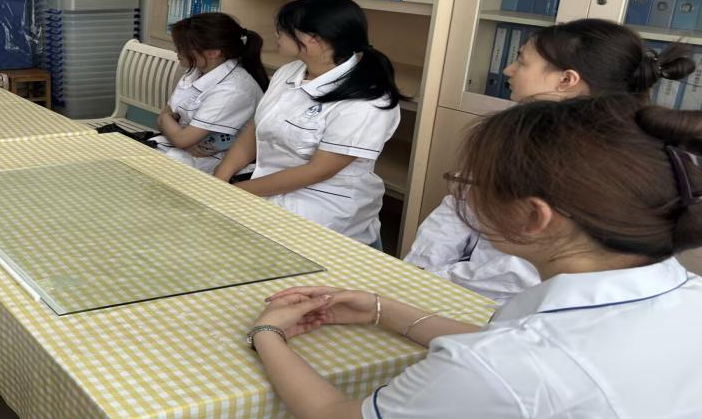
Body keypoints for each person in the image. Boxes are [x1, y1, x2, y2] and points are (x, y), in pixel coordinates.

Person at [248, 95, 702, 418]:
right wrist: (380, 310)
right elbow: (516, 344)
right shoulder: (683, 297)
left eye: (475, 183)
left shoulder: (499, 366)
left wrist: (267, 333)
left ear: (533, 216)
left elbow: (335, 414)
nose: (465, 194)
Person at [405, 19, 695, 301]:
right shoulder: (512, 132)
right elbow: (460, 204)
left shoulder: (604, 162)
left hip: (512, 299)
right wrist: (418, 270)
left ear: (566, 80)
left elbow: (524, 269)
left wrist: (439, 279)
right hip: (454, 282)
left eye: (521, 62)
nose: (508, 69)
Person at [214, 0, 404, 246]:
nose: (277, 35)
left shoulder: (367, 101)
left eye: (283, 30)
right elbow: (256, 129)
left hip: (321, 206)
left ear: (313, 39)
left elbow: (319, 170)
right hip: (265, 187)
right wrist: (218, 180)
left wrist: (235, 193)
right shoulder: (288, 72)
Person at [151, 13, 267, 174]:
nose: (176, 51)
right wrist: (171, 127)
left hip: (217, 160)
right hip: (182, 149)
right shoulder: (197, 70)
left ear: (213, 53)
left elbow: (178, 134)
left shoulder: (234, 89)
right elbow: (167, 123)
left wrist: (167, 121)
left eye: (182, 48)